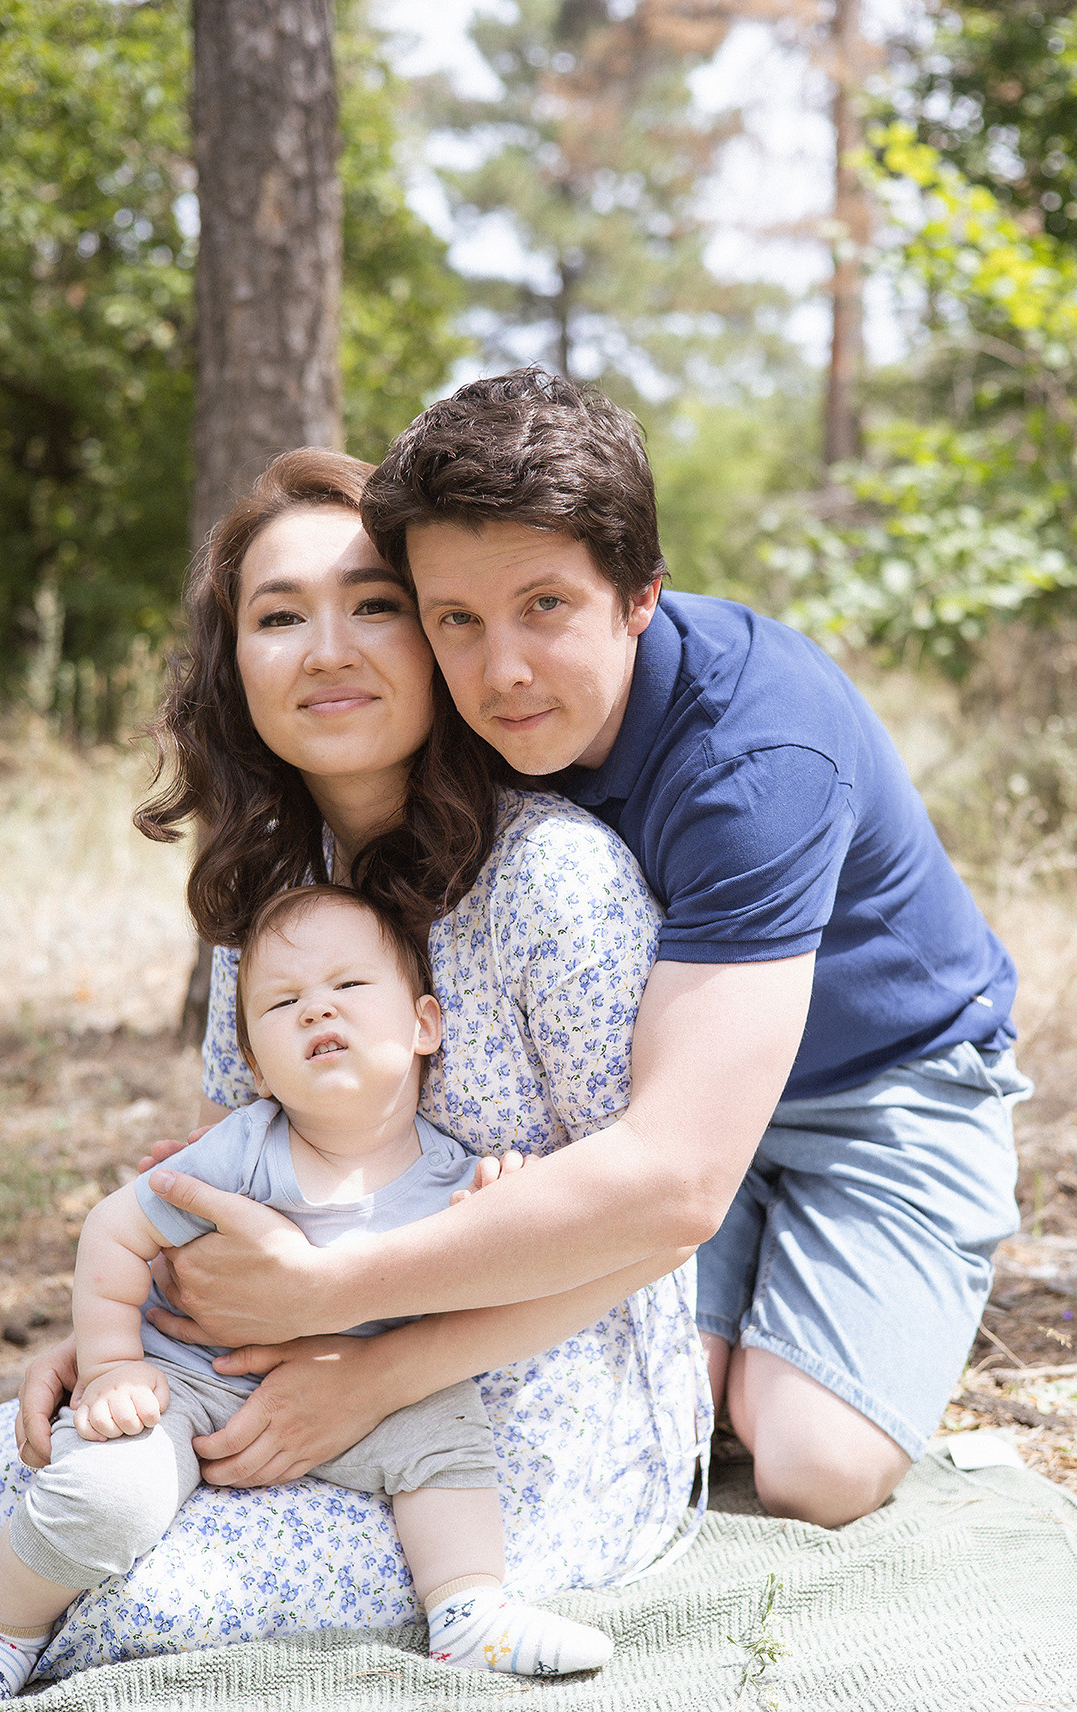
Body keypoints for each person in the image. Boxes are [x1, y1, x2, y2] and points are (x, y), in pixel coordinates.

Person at [112, 370, 1030, 1534]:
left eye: (546, 605)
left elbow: (677, 1177)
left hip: (875, 1090)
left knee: (812, 1462)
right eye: (457, 618)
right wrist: (122, 1341)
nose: (503, 671)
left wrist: (341, 1301)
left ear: (640, 595)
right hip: (655, 1097)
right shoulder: (470, 719)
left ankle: (834, 1326)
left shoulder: (756, 756)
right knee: (628, 1379)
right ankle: (728, 1339)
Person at [0, 447, 705, 1681]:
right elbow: (225, 1193)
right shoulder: (271, 897)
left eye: (374, 603)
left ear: (435, 634)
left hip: (502, 1418)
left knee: (125, 1609)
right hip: (245, 1378)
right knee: (5, 1489)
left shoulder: (555, 884)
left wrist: (372, 1371)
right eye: (278, 616)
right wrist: (120, 1346)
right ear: (234, 663)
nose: (327, 649)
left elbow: (654, 1226)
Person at [0, 886, 612, 1699]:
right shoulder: (242, 1149)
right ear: (257, 1059)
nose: (316, 1010)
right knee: (108, 1494)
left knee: (447, 1426)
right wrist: (109, 1365)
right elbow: (114, 1230)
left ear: (425, 1026)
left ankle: (469, 1611)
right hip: (193, 1377)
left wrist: (507, 1201)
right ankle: (1, 1633)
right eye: (283, 1002)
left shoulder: (455, 1176)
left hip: (355, 1378)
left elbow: (511, 1265)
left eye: (347, 987)